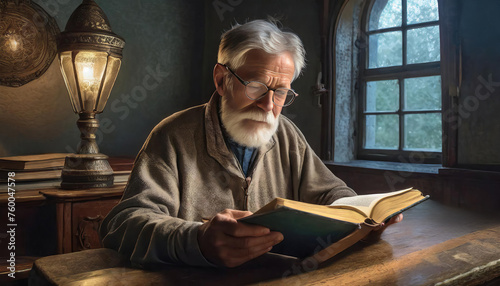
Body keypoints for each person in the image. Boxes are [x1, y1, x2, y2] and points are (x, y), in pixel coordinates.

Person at [99, 19, 401, 269]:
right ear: (221, 80)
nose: (269, 105)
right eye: (256, 86)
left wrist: (363, 220)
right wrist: (197, 241)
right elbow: (123, 225)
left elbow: (331, 194)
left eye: (281, 92)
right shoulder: (172, 136)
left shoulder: (287, 134)